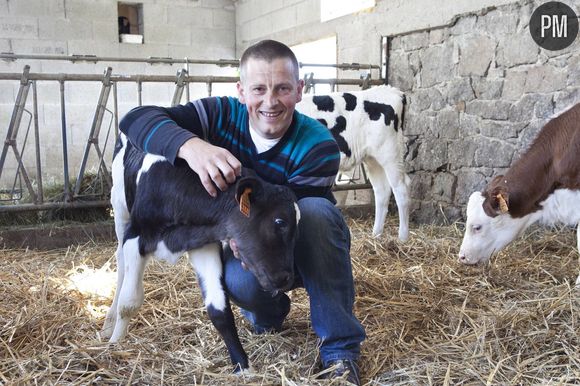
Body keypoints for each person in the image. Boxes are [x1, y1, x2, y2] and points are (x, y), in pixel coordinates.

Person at [119, 39, 366, 385]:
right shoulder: (219, 116)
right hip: (253, 236)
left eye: (282, 89)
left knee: (317, 214)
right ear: (241, 91)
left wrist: (241, 230)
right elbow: (135, 119)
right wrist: (191, 147)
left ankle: (340, 351)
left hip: (295, 241)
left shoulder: (318, 146)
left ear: (299, 90)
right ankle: (268, 315)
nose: (270, 101)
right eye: (259, 89)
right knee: (235, 279)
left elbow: (291, 218)